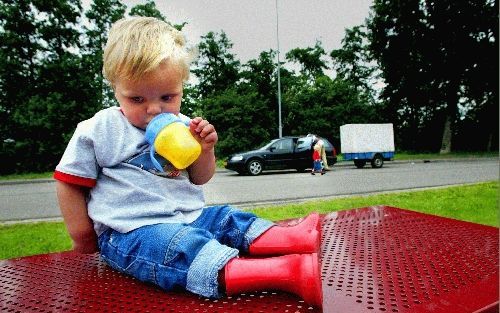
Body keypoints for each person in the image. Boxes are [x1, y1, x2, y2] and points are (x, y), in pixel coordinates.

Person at [54, 17, 322, 307]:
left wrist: (205, 150)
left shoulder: (185, 125)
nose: (154, 109)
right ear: (115, 88)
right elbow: (69, 182)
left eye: (167, 96)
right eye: (137, 99)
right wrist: (82, 235)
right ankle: (285, 272)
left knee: (226, 217)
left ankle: (293, 238)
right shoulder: (100, 128)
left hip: (191, 216)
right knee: (177, 248)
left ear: (181, 86)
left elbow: (200, 177)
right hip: (132, 231)